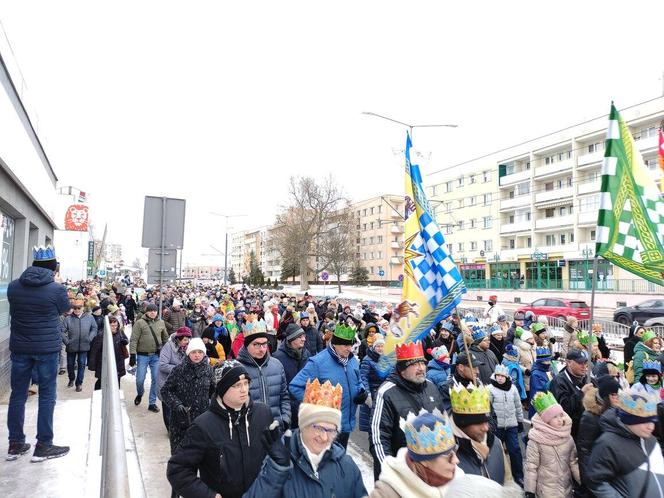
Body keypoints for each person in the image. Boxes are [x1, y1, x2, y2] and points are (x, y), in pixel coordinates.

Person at [244, 379, 367, 498]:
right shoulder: (278, 461)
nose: (324, 438)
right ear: (303, 425)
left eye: (331, 430)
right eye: (318, 428)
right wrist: (277, 470)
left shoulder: (347, 466)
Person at [167, 360, 273, 498]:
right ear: (222, 388)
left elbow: (276, 454)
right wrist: (208, 495)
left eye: (246, 383)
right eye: (236, 385)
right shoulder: (204, 426)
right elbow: (178, 469)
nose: (244, 389)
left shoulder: (263, 413)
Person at [6, 246, 72, 462]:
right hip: (47, 350)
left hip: (20, 348)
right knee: (47, 395)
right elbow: (65, 310)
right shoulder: (57, 289)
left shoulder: (14, 287)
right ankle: (43, 445)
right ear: (54, 268)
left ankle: (15, 443)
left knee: (18, 394)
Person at [370, 411, 509, 498]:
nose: (456, 461)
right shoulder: (387, 493)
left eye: (454, 452)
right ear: (424, 460)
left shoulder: (463, 482)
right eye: (448, 455)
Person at [371, 341, 444, 481]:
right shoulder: (386, 392)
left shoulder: (431, 387)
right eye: (415, 364)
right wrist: (390, 472)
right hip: (400, 474)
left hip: (430, 472)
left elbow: (443, 424)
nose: (421, 368)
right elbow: (378, 439)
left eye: (423, 363)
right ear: (402, 369)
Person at [290, 323, 366, 449]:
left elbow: (358, 381)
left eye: (351, 345)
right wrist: (318, 403)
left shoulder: (352, 360)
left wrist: (361, 391)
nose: (349, 349)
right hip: (326, 427)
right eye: (345, 345)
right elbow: (295, 386)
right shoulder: (318, 362)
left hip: (346, 425)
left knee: (339, 463)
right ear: (335, 344)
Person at [586, 388, 664, 497]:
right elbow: (595, 480)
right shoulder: (608, 444)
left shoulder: (651, 439)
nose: (651, 426)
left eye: (652, 420)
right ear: (629, 419)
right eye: (644, 421)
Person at [160, 337, 216, 453]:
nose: (197, 355)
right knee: (180, 460)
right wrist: (177, 404)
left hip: (202, 421)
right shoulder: (178, 370)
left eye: (200, 352)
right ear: (188, 353)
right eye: (194, 352)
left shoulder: (209, 370)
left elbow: (213, 393)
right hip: (181, 421)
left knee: (201, 457)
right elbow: (165, 391)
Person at [236, 315, 291, 429]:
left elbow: (284, 396)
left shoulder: (277, 365)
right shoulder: (237, 369)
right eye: (256, 344)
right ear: (247, 345)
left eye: (264, 344)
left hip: (276, 429)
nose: (262, 349)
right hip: (248, 432)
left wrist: (284, 419)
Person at [524, 392, 580, 498]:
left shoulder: (567, 437)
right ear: (546, 420)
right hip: (546, 491)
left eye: (561, 415)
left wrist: (582, 481)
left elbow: (573, 462)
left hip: (566, 488)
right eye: (555, 417)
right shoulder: (537, 439)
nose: (560, 419)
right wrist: (529, 491)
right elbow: (531, 466)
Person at [449, 383, 505, 484]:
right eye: (478, 423)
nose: (486, 428)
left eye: (486, 421)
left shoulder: (496, 443)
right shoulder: (448, 456)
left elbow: (507, 480)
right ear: (462, 423)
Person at [577, 374, 620, 490]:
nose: (617, 398)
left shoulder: (616, 411)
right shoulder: (591, 416)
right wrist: (588, 481)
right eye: (613, 395)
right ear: (605, 396)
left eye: (618, 394)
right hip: (596, 471)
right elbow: (584, 450)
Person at [488, 364, 524, 487]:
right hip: (497, 426)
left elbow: (518, 406)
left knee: (515, 450)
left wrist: (520, 421)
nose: (500, 378)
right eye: (498, 376)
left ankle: (519, 476)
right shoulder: (490, 389)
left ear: (506, 377)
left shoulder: (512, 388)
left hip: (511, 425)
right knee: (496, 452)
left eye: (502, 376)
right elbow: (488, 408)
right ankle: (497, 477)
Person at [130, 303, 170, 413]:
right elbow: (133, 339)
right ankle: (140, 393)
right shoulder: (139, 323)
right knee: (140, 379)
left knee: (156, 379)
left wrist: (165, 352)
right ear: (146, 312)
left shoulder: (161, 323)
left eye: (155, 311)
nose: (153, 312)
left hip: (156, 356)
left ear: (157, 312)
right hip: (142, 355)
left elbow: (166, 339)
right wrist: (132, 354)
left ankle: (152, 403)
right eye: (150, 311)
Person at [272, 323, 310, 428]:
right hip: (287, 407)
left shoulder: (306, 354)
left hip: (304, 405)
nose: (304, 339)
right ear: (291, 339)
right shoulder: (277, 358)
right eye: (300, 337)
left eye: (304, 336)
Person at [549, 349, 592, 439]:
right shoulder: (559, 381)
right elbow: (563, 408)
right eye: (580, 363)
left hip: (586, 429)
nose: (584, 366)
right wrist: (581, 393)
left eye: (585, 363)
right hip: (569, 433)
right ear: (568, 363)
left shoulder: (588, 379)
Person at [62, 298, 98, 391]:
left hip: (84, 345)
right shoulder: (68, 319)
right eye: (75, 308)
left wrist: (89, 338)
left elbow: (94, 328)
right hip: (71, 346)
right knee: (70, 364)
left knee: (81, 364)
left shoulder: (89, 317)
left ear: (83, 308)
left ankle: (79, 383)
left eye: (79, 308)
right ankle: (71, 378)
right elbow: (61, 331)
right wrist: (67, 341)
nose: (77, 310)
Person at [87, 315, 129, 390]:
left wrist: (125, 341)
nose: (114, 327)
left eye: (115, 325)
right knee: (102, 380)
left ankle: (116, 398)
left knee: (117, 380)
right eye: (112, 325)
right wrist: (92, 365)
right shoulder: (101, 335)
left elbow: (126, 340)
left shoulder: (120, 332)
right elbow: (94, 351)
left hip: (118, 361)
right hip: (104, 362)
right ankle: (98, 395)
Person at [528, 347, 554, 417]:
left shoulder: (548, 369)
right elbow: (539, 391)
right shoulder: (536, 374)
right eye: (546, 361)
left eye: (549, 361)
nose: (548, 363)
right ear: (541, 361)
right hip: (540, 404)